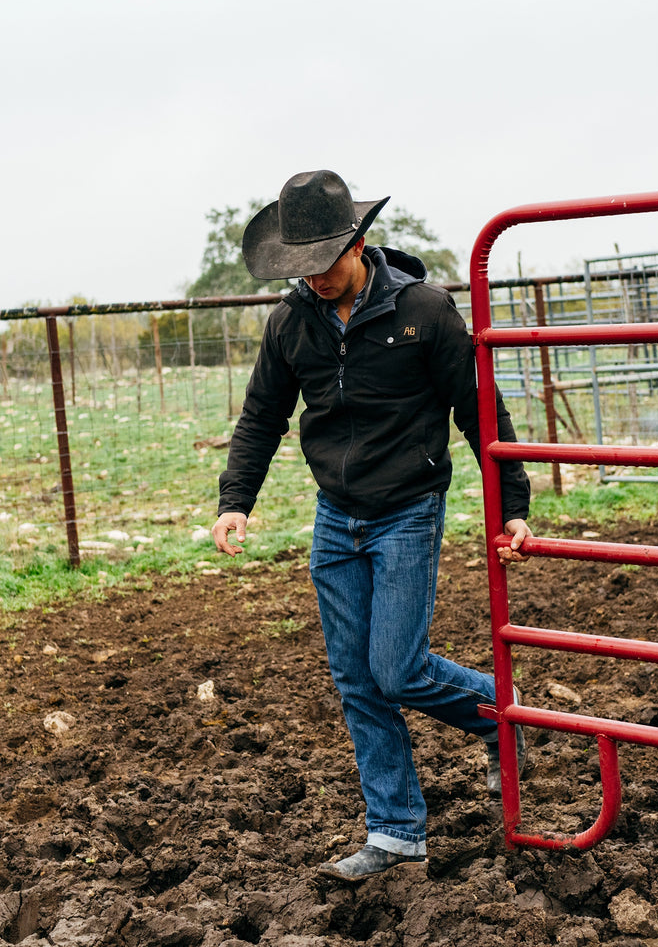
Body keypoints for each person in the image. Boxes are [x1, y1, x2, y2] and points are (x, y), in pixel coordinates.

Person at [211, 169, 532, 883]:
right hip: (335, 515)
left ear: (358, 243)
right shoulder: (291, 323)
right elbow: (262, 416)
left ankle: (499, 709)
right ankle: (395, 833)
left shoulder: (424, 311)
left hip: (408, 509)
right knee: (356, 679)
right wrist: (236, 500)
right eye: (300, 265)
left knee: (396, 668)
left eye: (324, 260)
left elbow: (480, 410)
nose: (314, 276)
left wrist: (512, 506)